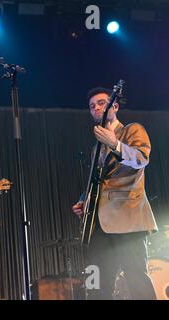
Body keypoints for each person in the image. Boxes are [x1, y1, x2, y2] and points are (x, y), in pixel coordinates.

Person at [72, 87, 158, 300]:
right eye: (92, 106)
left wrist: (115, 144)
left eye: (101, 103)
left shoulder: (132, 130)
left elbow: (141, 159)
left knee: (137, 280)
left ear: (114, 106)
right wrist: (84, 201)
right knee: (97, 284)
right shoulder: (96, 148)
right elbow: (98, 181)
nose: (97, 108)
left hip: (128, 217)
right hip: (100, 224)